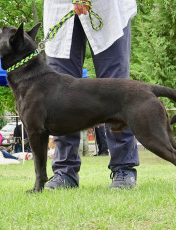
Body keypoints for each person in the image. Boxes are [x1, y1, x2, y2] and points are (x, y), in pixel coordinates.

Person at [44, 0, 139, 190]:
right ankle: (65, 171)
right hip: (59, 7)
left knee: (117, 91)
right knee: (59, 96)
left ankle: (124, 168)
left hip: (109, 7)